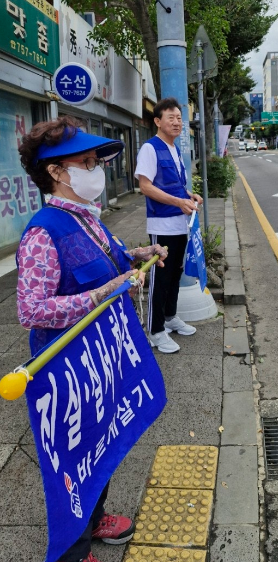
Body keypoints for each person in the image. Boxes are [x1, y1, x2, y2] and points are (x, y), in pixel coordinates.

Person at [16, 116, 167, 562]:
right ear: (57, 172)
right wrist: (102, 293)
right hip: (68, 372)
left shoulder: (88, 219)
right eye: (85, 161)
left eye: (95, 161)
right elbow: (30, 309)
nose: (96, 169)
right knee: (73, 459)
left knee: (101, 444)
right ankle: (74, 549)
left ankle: (95, 517)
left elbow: (113, 256)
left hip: (102, 359)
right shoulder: (44, 231)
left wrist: (142, 253)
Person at [135, 97, 203, 354]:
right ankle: (155, 330)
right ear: (157, 121)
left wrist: (189, 195)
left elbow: (173, 184)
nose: (176, 123)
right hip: (161, 225)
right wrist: (178, 201)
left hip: (180, 223)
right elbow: (145, 186)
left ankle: (171, 317)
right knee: (161, 277)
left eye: (179, 119)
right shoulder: (150, 148)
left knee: (175, 273)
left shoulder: (174, 149)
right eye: (171, 118)